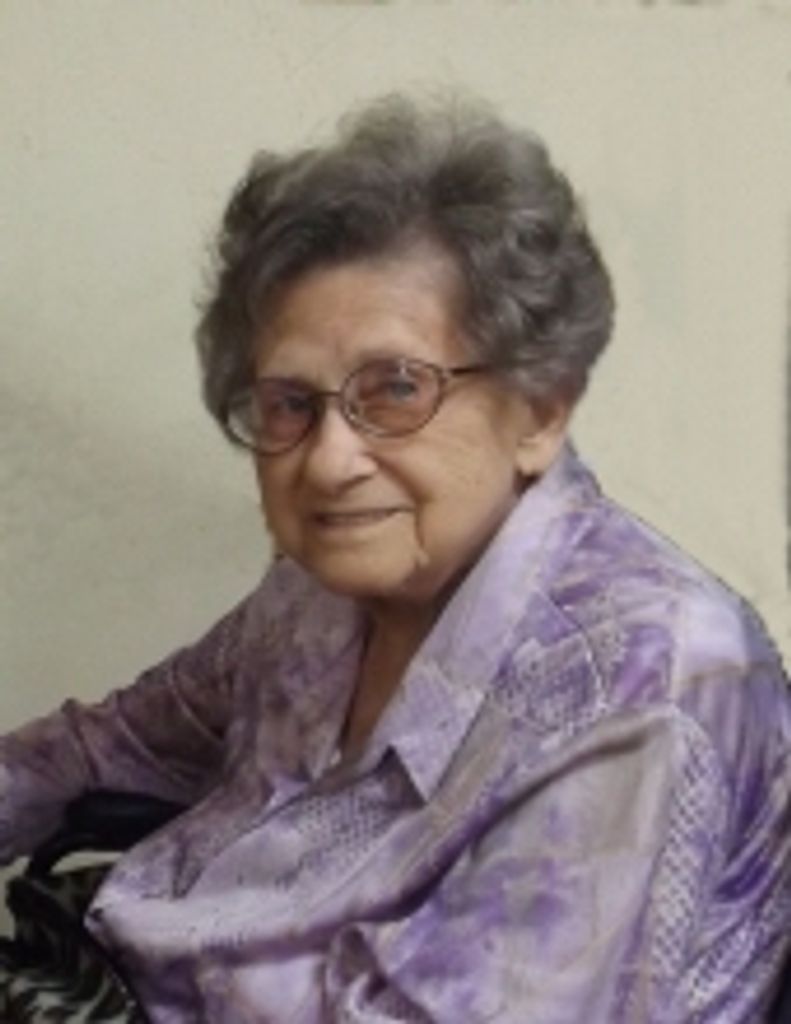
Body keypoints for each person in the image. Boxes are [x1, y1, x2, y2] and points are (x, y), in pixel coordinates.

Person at [1, 94, 790, 1023]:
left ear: (539, 410)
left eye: (397, 389)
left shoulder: (643, 681)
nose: (329, 461)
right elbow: (111, 747)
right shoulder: (316, 599)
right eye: (290, 403)